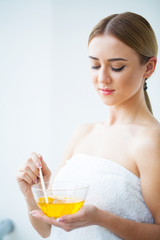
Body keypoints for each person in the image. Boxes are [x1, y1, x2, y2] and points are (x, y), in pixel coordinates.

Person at [16, 12, 160, 239]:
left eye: (117, 67)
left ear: (149, 68)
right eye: (95, 65)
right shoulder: (82, 133)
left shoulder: (151, 142)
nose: (102, 78)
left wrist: (102, 218)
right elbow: (47, 229)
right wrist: (30, 193)